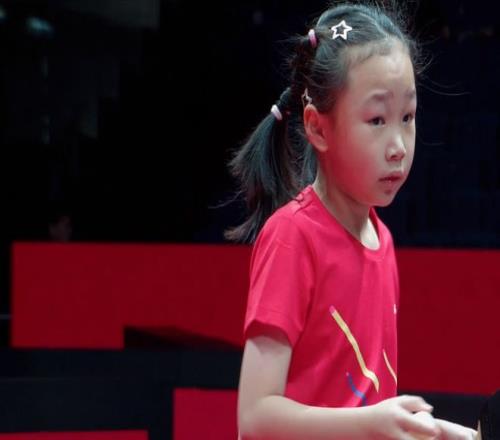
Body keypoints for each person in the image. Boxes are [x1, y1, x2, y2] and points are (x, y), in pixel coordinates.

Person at [228, 2, 478, 439]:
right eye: (377, 120)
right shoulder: (292, 237)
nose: (398, 145)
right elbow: (254, 419)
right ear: (318, 128)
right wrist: (370, 425)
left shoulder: (383, 242)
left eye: (407, 117)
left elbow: (363, 406)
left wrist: (438, 432)